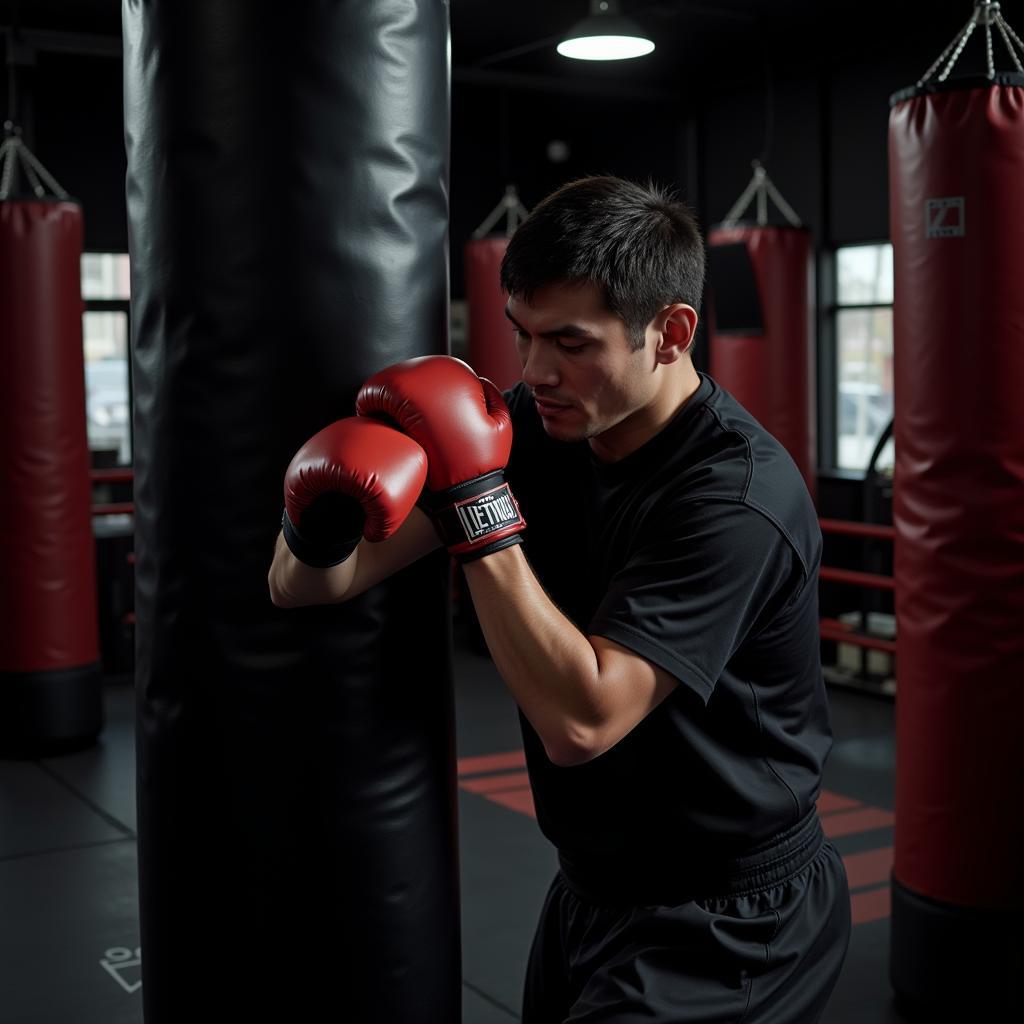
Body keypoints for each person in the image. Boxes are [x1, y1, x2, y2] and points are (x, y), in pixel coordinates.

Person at [268, 175, 851, 1022]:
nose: (536, 371)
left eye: (572, 343)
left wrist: (478, 506)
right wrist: (315, 515)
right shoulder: (539, 427)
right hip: (590, 891)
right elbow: (306, 587)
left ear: (670, 333)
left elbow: (583, 723)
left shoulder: (735, 499)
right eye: (523, 336)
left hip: (727, 919)